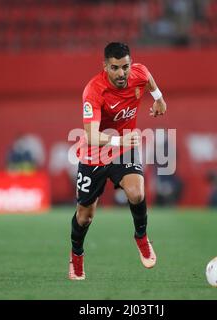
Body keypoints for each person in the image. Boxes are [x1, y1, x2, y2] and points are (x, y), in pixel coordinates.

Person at [69, 42, 167, 280]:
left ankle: (141, 238)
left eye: (125, 67)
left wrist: (159, 99)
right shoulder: (94, 90)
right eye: (115, 68)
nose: (121, 73)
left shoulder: (139, 73)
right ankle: (76, 256)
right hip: (96, 153)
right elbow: (91, 135)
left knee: (136, 193)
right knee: (85, 216)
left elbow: (149, 79)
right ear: (105, 66)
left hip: (124, 149)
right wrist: (120, 142)